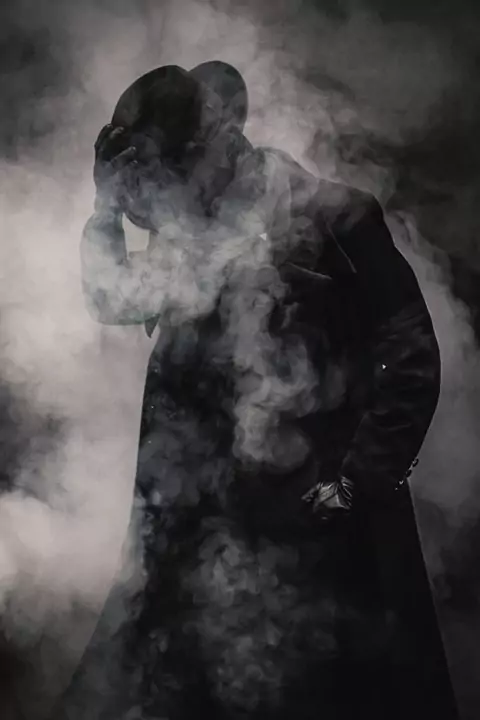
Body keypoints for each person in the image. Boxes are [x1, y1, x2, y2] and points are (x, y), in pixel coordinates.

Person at [60, 62, 458, 720]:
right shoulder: (187, 235)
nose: (165, 205)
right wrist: (105, 211)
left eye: (173, 179)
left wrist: (359, 480)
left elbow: (411, 354)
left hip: (320, 527)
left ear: (219, 144)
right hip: (200, 532)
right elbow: (112, 298)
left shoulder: (336, 216)